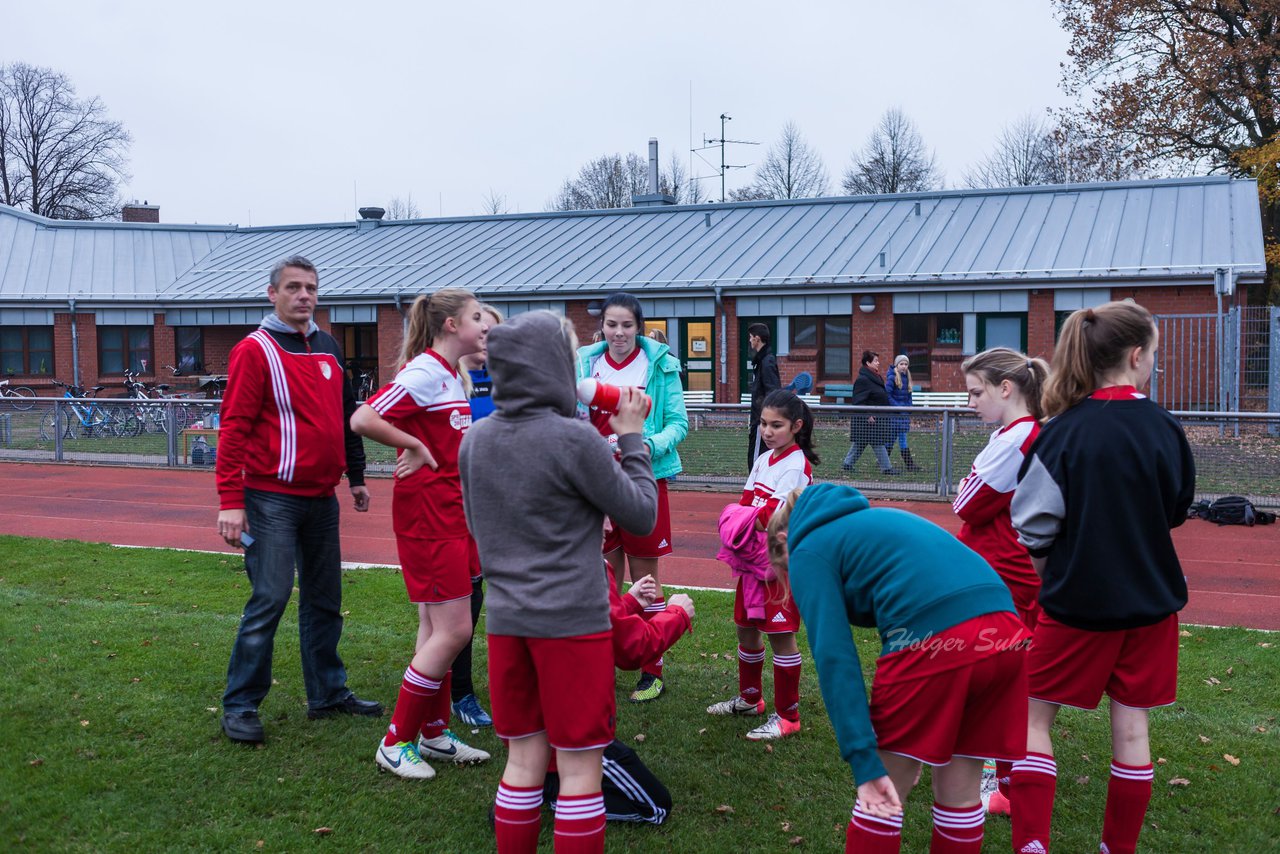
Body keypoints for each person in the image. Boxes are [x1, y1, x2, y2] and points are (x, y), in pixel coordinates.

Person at [459, 310, 658, 854]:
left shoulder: (475, 441)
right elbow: (640, 515)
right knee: (578, 771)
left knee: (522, 762)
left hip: (506, 621)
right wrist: (633, 439)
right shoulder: (575, 440)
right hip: (572, 622)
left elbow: (480, 528)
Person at [1010, 302, 1195, 854]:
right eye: (1154, 354)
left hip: (1076, 607)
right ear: (1137, 356)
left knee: (1030, 717)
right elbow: (1175, 508)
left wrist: (1056, 573)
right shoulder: (1165, 427)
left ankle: (1032, 845)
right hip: (1150, 606)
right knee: (1132, 729)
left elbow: (1032, 524)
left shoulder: (1061, 432)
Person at [766, 483, 1031, 853]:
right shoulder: (870, 521)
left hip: (937, 637)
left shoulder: (807, 546)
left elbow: (834, 657)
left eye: (785, 572)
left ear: (783, 540)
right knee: (960, 794)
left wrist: (864, 760)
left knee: (881, 798)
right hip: (1005, 633)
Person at [215, 255, 380, 745]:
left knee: (326, 600)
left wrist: (355, 475)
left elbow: (347, 416)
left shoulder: (328, 347)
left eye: (310, 287)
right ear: (273, 294)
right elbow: (234, 429)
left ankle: (327, 693)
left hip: (321, 498)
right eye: (293, 287)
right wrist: (230, 500)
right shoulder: (254, 350)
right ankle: (241, 704)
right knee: (270, 597)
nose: (304, 296)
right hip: (269, 498)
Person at [351, 288, 492, 780]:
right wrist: (411, 441)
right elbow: (363, 417)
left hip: (455, 515)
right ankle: (395, 742)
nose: (485, 325)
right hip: (429, 521)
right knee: (455, 629)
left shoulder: (454, 374)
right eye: (478, 317)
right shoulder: (424, 370)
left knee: (437, 630)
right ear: (451, 325)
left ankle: (432, 733)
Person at [576, 292, 688, 703]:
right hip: (597, 483)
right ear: (602, 327)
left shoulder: (660, 363)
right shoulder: (585, 361)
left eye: (626, 325)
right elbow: (573, 415)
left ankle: (651, 670)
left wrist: (641, 445)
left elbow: (678, 423)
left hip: (646, 479)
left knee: (647, 578)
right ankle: (601, 656)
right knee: (602, 578)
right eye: (611, 324)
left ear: (638, 327)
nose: (618, 332)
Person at [952, 347, 1049, 816]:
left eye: (976, 392)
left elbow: (965, 503)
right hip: (1005, 571)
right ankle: (1007, 775)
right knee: (1003, 679)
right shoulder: (1019, 433)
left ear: (1005, 389)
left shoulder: (1016, 439)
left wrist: (967, 480)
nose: (970, 402)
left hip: (1005, 574)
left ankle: (1006, 782)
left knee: (999, 680)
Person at [543, 568, 695, 826]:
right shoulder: (584, 562)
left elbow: (591, 622)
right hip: (575, 732)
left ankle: (535, 788)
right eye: (599, 522)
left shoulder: (542, 559)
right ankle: (555, 796)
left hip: (540, 720)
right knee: (656, 806)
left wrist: (629, 602)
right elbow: (632, 647)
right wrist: (677, 614)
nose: (608, 525)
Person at [707, 389, 815, 741]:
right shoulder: (764, 458)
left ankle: (788, 717)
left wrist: (742, 517)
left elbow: (772, 515)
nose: (767, 431)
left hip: (779, 565)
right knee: (746, 628)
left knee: (781, 637)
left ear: (796, 426)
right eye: (763, 424)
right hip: (753, 562)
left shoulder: (797, 464)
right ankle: (751, 699)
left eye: (776, 425)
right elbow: (745, 503)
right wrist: (744, 516)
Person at [450, 302, 504, 729]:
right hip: (457, 512)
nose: (488, 341)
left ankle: (511, 686)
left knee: (501, 599)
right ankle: (460, 693)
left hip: (504, 510)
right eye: (483, 332)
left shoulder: (506, 381)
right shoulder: (446, 380)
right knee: (461, 606)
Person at [842, 350, 898, 475]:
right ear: (868, 363)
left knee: (861, 442)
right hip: (868, 419)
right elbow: (858, 400)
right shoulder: (863, 379)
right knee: (877, 442)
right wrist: (867, 414)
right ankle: (887, 468)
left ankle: (847, 464)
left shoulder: (874, 377)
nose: (878, 363)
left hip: (876, 418)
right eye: (876, 361)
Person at [746, 322, 782, 471]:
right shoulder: (762, 361)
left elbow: (772, 392)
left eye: (750, 337)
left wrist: (764, 420)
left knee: (756, 463)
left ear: (757, 338)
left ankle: (755, 492)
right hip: (760, 420)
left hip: (761, 421)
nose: (749, 340)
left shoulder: (766, 362)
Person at [884, 355, 919, 472]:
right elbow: (887, 395)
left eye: (906, 364)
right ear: (896, 365)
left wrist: (909, 407)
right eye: (901, 364)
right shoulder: (891, 378)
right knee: (893, 439)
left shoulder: (907, 378)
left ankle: (885, 461)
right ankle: (906, 464)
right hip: (894, 414)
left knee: (899, 438)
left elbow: (909, 395)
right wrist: (897, 407)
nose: (904, 367)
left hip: (904, 415)